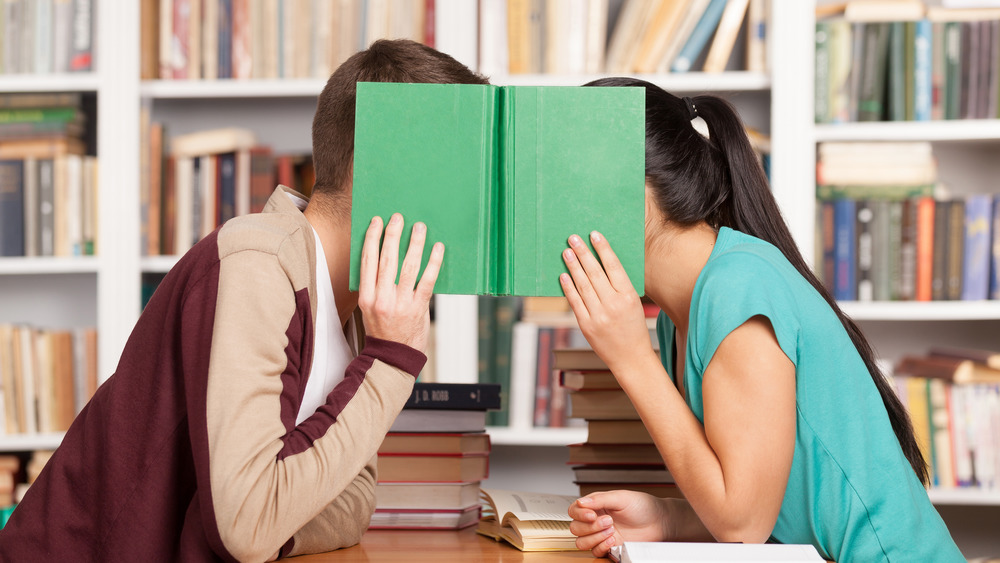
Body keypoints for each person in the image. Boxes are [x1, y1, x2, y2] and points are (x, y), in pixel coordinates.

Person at [0, 40, 488, 561]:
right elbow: (248, 528)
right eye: (455, 171)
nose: (472, 206)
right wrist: (392, 360)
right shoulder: (258, 260)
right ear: (387, 167)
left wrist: (280, 515)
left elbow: (353, 505)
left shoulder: (360, 313)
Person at [560, 78, 964, 563]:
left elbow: (742, 524)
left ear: (633, 194)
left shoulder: (737, 285)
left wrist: (630, 359)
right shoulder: (679, 313)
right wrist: (668, 518)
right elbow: (760, 506)